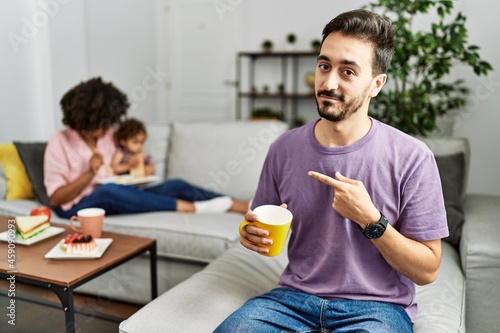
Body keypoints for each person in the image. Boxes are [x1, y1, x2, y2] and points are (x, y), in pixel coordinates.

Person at [215, 9, 448, 333]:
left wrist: (371, 220)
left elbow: (427, 270)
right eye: (324, 65)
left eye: (348, 71)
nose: (328, 82)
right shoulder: (284, 148)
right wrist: (249, 233)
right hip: (293, 299)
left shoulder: (413, 157)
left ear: (376, 84)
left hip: (377, 308)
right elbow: (258, 224)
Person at [44, 77, 249, 218]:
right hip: (78, 207)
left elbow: (130, 145)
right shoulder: (59, 142)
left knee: (174, 185)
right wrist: (89, 173)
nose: (103, 131)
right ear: (80, 119)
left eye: (107, 124)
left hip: (121, 192)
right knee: (109, 191)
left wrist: (139, 164)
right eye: (97, 126)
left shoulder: (109, 134)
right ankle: (189, 209)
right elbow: (56, 198)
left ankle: (239, 205)